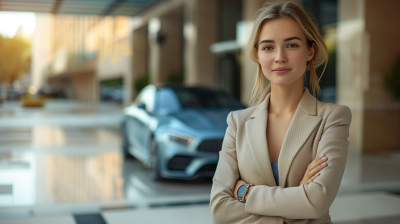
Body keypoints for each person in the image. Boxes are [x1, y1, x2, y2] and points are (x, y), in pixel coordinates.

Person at [209, 0, 352, 223]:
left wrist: (245, 192)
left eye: (292, 45)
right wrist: (296, 202)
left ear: (310, 51)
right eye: (268, 47)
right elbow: (219, 210)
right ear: (257, 54)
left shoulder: (333, 118)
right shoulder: (237, 122)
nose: (279, 57)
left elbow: (315, 203)